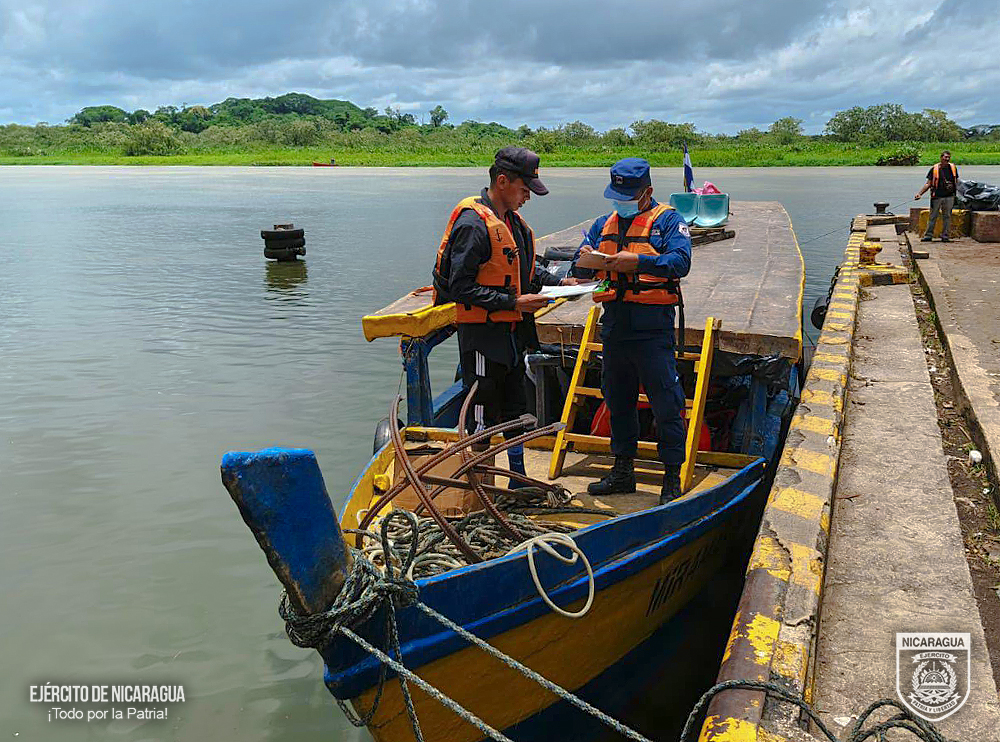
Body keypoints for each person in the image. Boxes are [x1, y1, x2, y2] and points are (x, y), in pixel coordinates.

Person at [432, 146, 565, 480]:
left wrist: (564, 282)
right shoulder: (474, 225)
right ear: (503, 182)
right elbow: (459, 287)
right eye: (524, 190)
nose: (527, 198)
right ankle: (480, 485)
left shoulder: (513, 224)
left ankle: (517, 479)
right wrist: (513, 304)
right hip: (482, 337)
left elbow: (524, 272)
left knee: (514, 410)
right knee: (481, 410)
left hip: (510, 336)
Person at [569, 158, 692, 504]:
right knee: (617, 400)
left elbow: (681, 261)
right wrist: (583, 259)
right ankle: (622, 471)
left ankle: (671, 476)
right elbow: (581, 264)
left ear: (647, 192)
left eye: (628, 195)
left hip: (653, 329)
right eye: (616, 195)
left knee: (666, 401)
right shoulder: (602, 223)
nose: (620, 202)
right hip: (615, 325)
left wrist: (638, 261)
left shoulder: (668, 220)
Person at [916, 151, 959, 242]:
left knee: (947, 216)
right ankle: (928, 236)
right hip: (936, 197)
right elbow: (928, 184)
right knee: (933, 216)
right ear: (941, 158)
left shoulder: (953, 168)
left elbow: (957, 181)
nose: (947, 159)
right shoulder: (934, 169)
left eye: (948, 157)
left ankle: (945, 236)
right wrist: (920, 194)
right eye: (945, 157)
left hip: (949, 197)